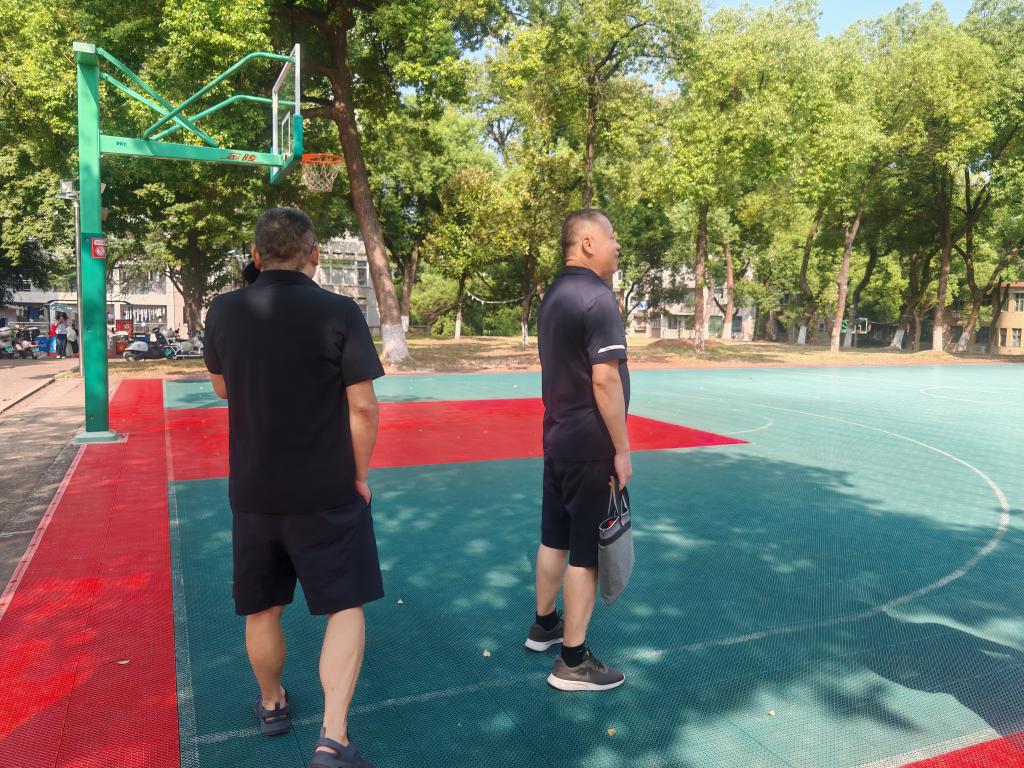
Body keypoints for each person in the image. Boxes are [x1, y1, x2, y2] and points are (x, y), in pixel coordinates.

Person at [203, 207, 385, 768]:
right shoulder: (339, 311)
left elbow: (221, 387)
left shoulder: (224, 310)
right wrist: (358, 475)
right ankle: (333, 737)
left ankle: (271, 702)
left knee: (263, 608)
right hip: (325, 489)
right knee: (344, 606)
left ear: (256, 256)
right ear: (314, 255)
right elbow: (363, 407)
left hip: (254, 491)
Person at [526, 208, 631, 691]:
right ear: (588, 243)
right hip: (590, 445)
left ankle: (544, 624)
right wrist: (621, 449)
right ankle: (572, 661)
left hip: (558, 438)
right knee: (585, 553)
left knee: (555, 537)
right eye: (611, 237)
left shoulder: (554, 296)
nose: (617, 245)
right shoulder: (598, 298)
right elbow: (604, 381)